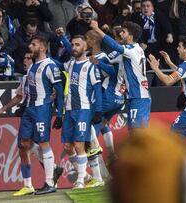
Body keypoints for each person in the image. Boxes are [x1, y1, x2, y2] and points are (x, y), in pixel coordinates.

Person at [0, 51, 63, 196]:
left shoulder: (46, 70)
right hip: (29, 113)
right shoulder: (25, 78)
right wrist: (2, 109)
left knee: (42, 143)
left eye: (28, 58)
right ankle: (32, 182)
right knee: (23, 145)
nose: (24, 60)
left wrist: (56, 106)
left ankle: (48, 179)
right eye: (24, 57)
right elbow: (19, 97)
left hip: (41, 112)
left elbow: (56, 88)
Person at [16, 36, 64, 195]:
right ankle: (54, 168)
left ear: (43, 48)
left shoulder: (50, 66)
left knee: (44, 143)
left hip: (42, 109)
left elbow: (60, 89)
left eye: (34, 44)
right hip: (29, 109)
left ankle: (49, 182)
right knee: (24, 143)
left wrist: (60, 113)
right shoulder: (32, 66)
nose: (30, 46)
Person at [91, 21, 151, 133]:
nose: (121, 34)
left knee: (138, 135)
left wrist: (97, 29)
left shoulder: (131, 50)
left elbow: (114, 46)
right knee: (134, 134)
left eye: (124, 32)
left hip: (139, 96)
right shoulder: (136, 49)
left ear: (130, 36)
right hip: (136, 96)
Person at [147, 36, 186, 139]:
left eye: (179, 46)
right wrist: (170, 63)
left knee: (173, 139)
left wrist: (155, 68)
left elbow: (168, 81)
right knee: (184, 141)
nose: (177, 49)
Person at [61, 35, 103, 189]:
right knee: (67, 146)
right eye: (72, 44)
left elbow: (98, 91)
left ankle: (80, 180)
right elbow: (60, 62)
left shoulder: (91, 67)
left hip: (83, 110)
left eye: (77, 45)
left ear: (85, 48)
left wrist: (98, 111)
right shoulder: (70, 64)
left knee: (79, 144)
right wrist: (61, 38)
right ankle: (85, 175)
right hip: (69, 110)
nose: (73, 47)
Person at [87, 28, 126, 164]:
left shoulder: (110, 55)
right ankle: (111, 155)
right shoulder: (127, 53)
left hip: (108, 95)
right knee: (103, 123)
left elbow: (112, 72)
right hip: (120, 97)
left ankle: (98, 158)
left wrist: (99, 63)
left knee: (89, 122)